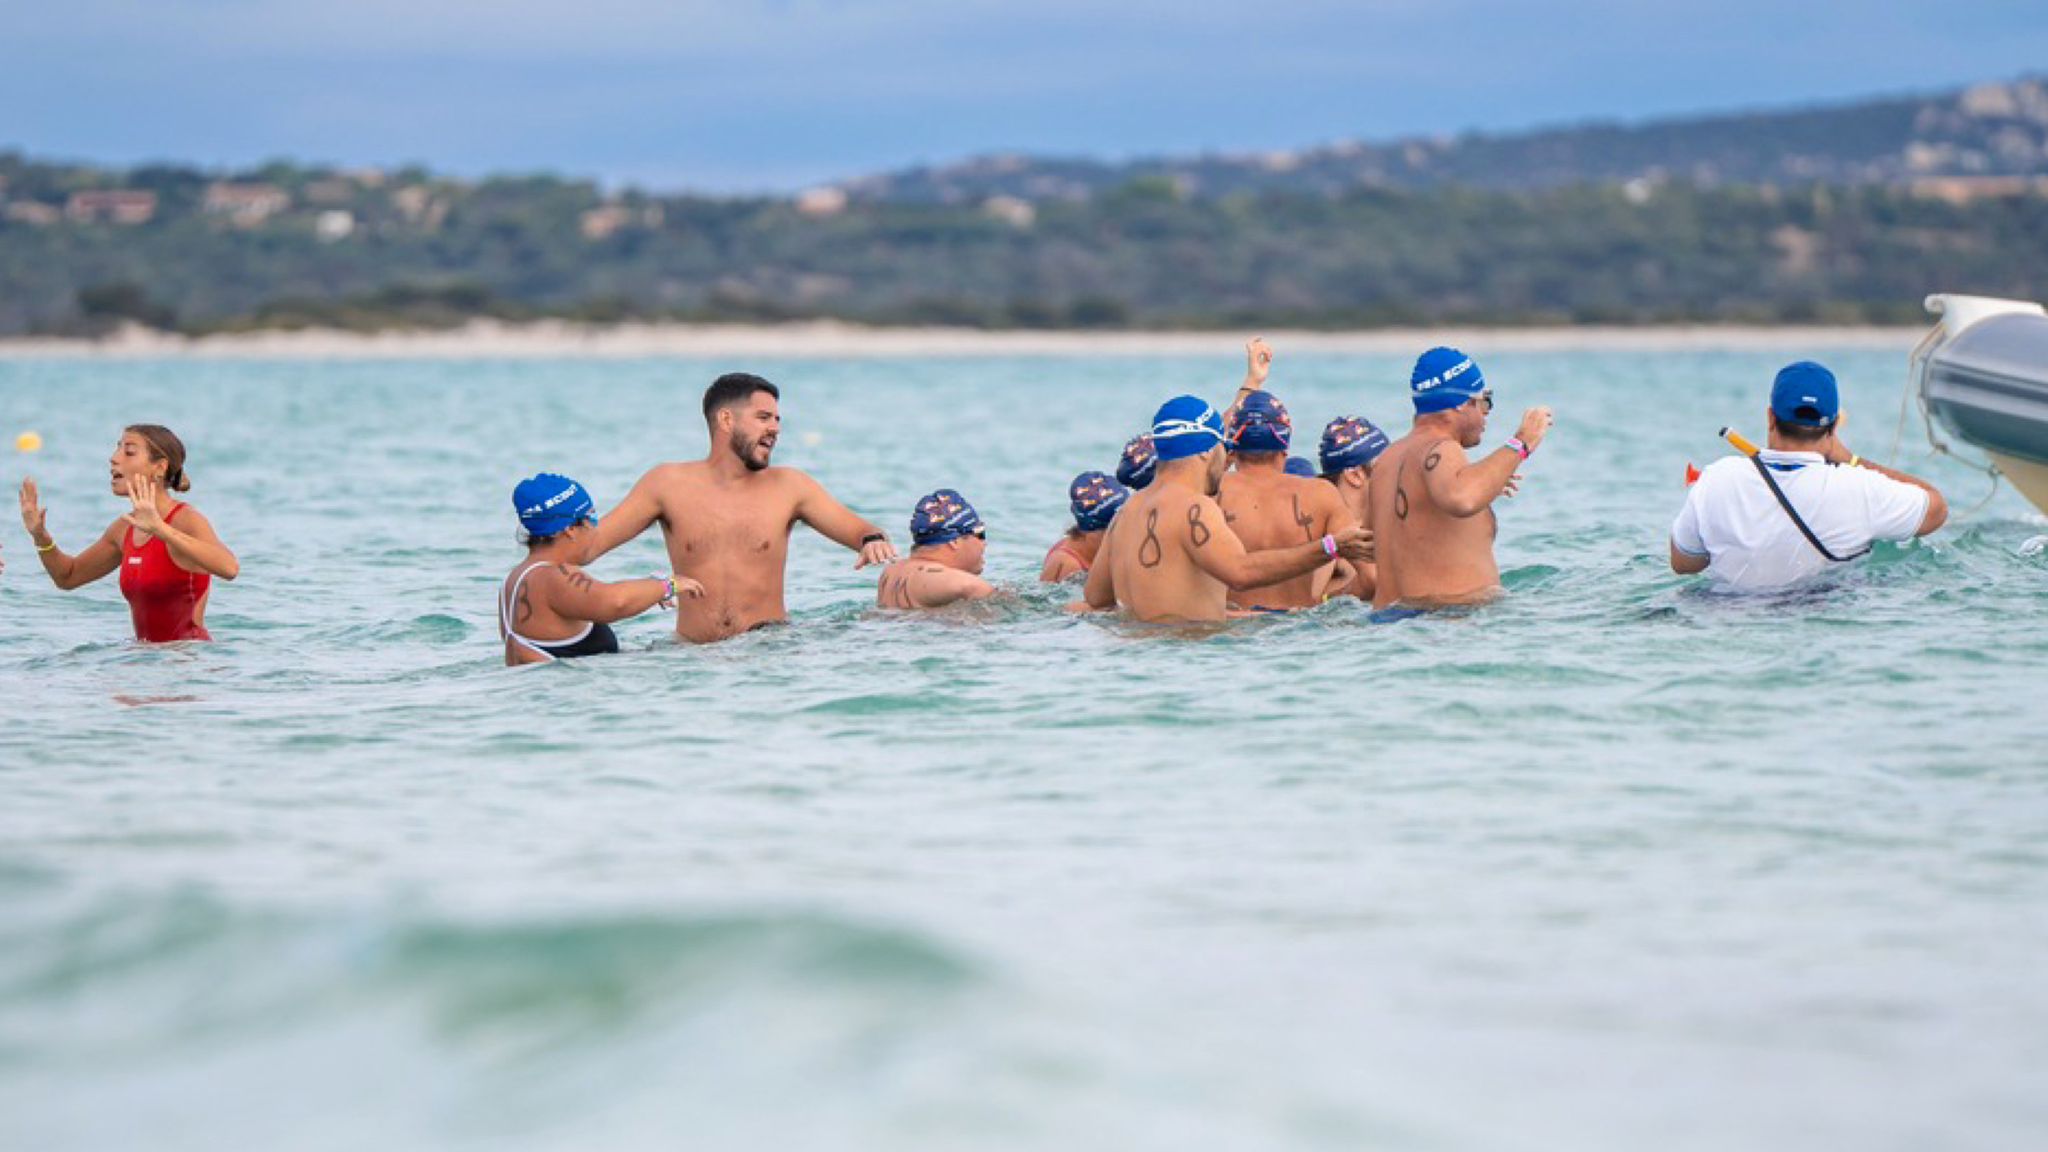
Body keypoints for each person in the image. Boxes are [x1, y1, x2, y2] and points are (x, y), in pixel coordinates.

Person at [582, 372, 899, 643]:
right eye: (763, 418)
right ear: (726, 419)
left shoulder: (790, 486)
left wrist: (873, 541)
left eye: (777, 419)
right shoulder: (666, 484)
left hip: (768, 651)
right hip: (690, 657)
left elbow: (860, 530)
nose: (775, 428)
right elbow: (587, 548)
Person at [1083, 396, 1373, 623]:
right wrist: (1330, 547)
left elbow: (1095, 598)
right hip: (1190, 658)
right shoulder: (1195, 507)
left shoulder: (1126, 512)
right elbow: (1241, 573)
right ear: (1207, 450)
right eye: (1223, 446)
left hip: (1145, 662)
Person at [1670, 361, 1946, 590]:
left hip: (1723, 616)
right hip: (1812, 617)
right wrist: (1851, 459)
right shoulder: (1859, 486)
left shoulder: (1717, 477)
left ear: (1770, 418)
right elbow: (1936, 510)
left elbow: (1684, 564)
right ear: (1834, 425)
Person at [16, 425, 239, 642]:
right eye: (117, 448)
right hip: (144, 663)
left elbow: (229, 568)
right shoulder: (123, 529)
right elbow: (68, 577)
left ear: (160, 467)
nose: (114, 458)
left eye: (129, 452)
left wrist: (162, 530)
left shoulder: (186, 519)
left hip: (187, 664)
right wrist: (40, 536)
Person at [1369, 347, 1553, 611]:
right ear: (1461, 403)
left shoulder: (1386, 460)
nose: (1487, 411)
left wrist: (1486, 480)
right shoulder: (1441, 448)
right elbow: (1462, 498)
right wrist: (1522, 442)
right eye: (1485, 400)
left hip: (1390, 625)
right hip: (1440, 627)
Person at [500, 473, 704, 666]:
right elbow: (615, 603)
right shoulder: (553, 577)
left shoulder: (514, 580)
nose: (595, 528)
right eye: (591, 517)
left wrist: (650, 589)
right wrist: (669, 585)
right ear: (569, 529)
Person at [1216, 390, 1357, 611]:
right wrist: (1325, 596)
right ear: (1284, 448)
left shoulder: (1210, 495)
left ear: (1233, 449)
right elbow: (1365, 571)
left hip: (1235, 630)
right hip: (1296, 631)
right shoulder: (1322, 494)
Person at [876, 489, 998, 609]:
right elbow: (970, 586)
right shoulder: (935, 577)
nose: (984, 543)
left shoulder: (892, 571)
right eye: (980, 534)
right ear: (954, 541)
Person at [1318, 415, 1392, 601]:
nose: (1397, 472)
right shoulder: (1323, 539)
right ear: (1355, 476)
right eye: (1388, 466)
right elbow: (1309, 602)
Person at [1040, 471, 1129, 582]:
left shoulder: (1100, 551)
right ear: (1088, 530)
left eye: (1125, 523)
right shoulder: (1069, 565)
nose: (1121, 534)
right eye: (1110, 529)